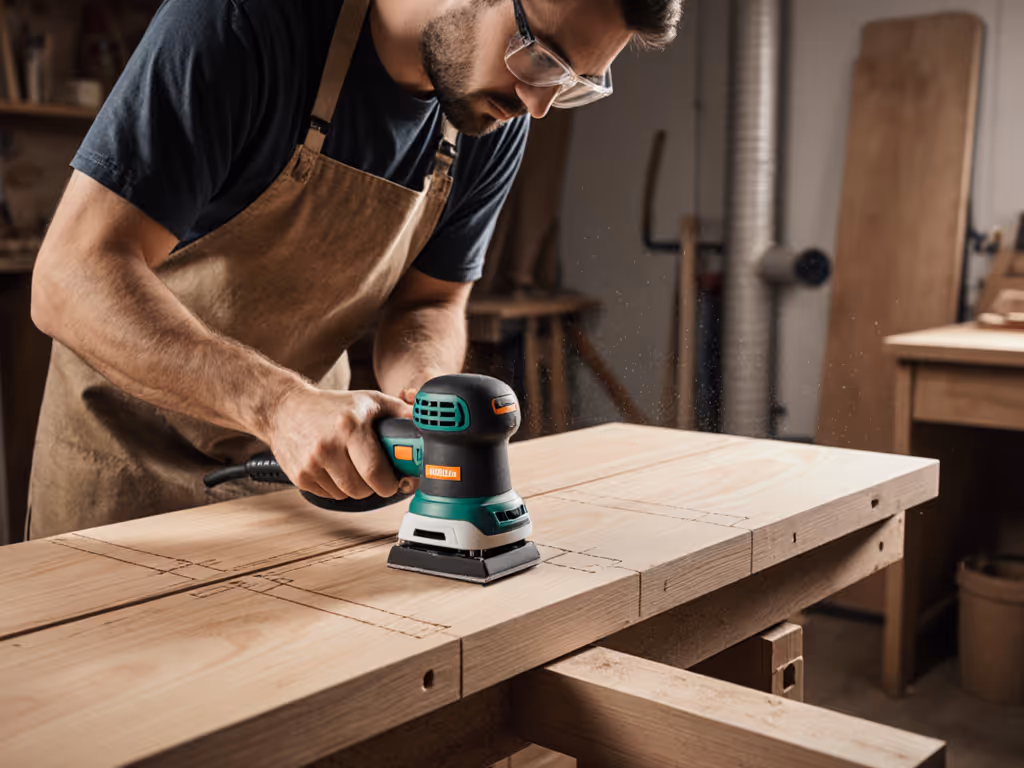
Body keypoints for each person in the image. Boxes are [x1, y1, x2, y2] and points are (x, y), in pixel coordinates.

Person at [27, 0, 684, 539]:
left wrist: (428, 398)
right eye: (541, 56)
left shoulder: (486, 115)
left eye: (570, 84)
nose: (537, 104)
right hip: (121, 472)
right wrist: (279, 407)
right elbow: (70, 277)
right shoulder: (245, 22)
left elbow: (429, 304)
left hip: (300, 479)